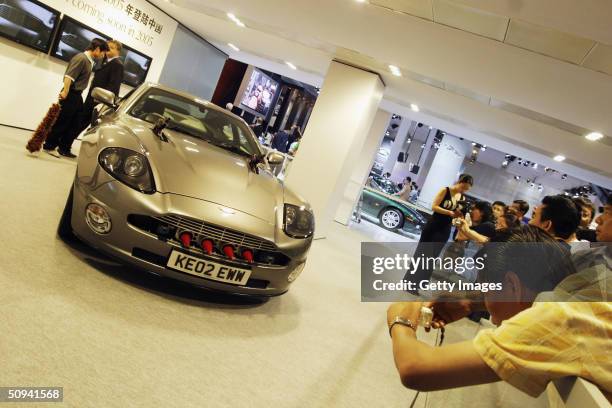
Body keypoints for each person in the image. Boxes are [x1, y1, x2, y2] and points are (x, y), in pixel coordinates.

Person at [387, 225, 612, 399]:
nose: (490, 312)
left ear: (512, 285)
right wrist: (472, 301)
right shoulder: (581, 287)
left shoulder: (556, 319)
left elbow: (416, 368)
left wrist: (400, 318)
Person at [43, 38, 108, 157]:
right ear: (97, 49)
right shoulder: (81, 58)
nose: (103, 56)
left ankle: (64, 148)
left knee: (75, 123)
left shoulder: (89, 61)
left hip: (77, 96)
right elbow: (69, 76)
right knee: (62, 121)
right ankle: (49, 146)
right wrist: (65, 92)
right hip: (70, 94)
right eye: (103, 53)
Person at [405, 174, 474, 287]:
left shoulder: (461, 198)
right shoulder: (445, 190)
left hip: (445, 228)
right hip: (434, 226)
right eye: (464, 187)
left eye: (467, 189)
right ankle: (410, 282)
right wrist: (449, 213)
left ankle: (420, 284)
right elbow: (434, 206)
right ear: (460, 181)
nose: (464, 190)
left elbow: (457, 214)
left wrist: (458, 216)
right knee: (422, 254)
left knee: (433, 257)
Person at [74, 40, 124, 144]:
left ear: (118, 51)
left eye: (112, 47)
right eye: (107, 46)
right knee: (80, 120)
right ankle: (64, 145)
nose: (108, 49)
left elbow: (114, 86)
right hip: (92, 97)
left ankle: (65, 145)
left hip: (100, 100)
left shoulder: (118, 65)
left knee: (84, 122)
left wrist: (103, 102)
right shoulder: (103, 60)